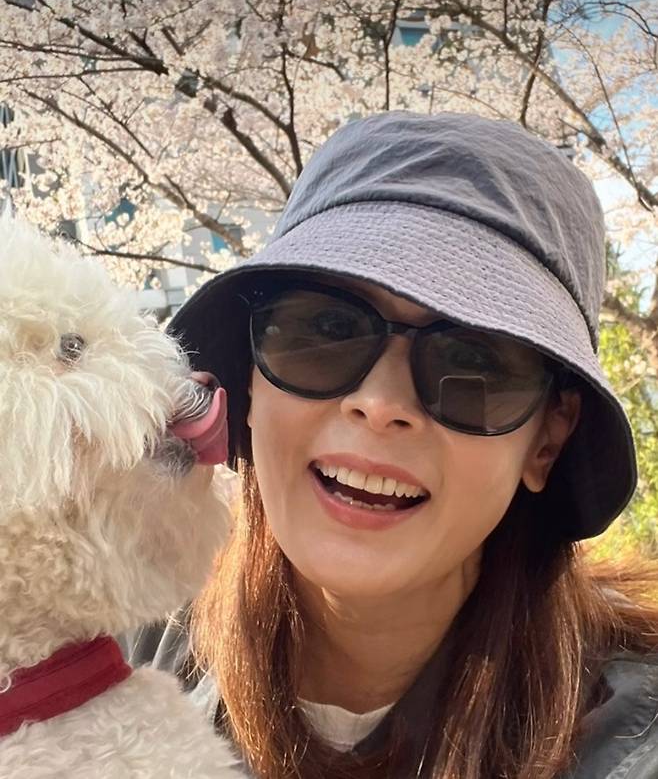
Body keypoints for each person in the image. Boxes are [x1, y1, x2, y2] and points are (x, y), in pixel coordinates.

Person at [122, 111, 658, 779]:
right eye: (325, 328)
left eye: (473, 360)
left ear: (547, 440)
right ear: (250, 380)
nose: (379, 404)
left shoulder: (629, 744)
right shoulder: (108, 649)